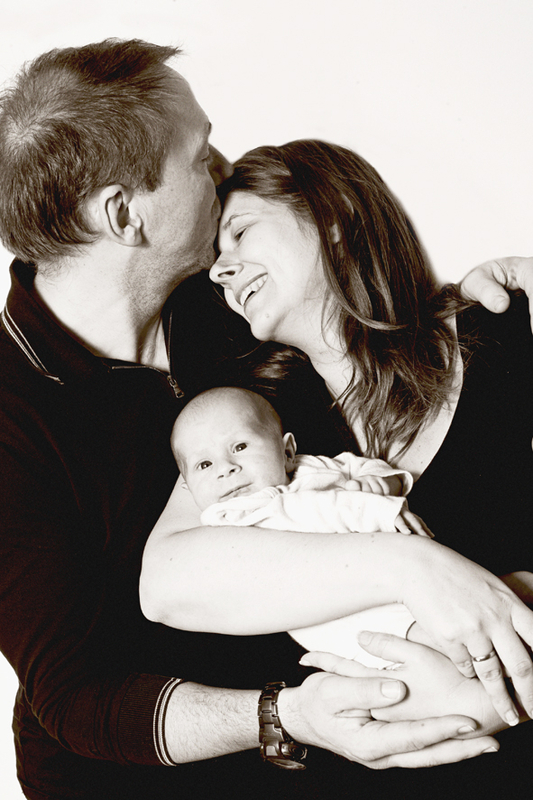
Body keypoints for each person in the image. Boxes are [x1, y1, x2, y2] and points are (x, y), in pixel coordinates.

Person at [0, 37, 530, 800]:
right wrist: (286, 714)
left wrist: (488, 293)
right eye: (200, 156)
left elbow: (353, 307)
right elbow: (80, 698)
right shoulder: (12, 419)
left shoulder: (230, 322)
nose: (222, 171)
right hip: (132, 779)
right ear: (123, 213)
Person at [172, 384, 428, 667]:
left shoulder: (310, 466)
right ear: (188, 487)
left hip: (394, 580)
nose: (225, 468)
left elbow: (354, 465)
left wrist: (384, 482)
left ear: (287, 452)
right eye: (204, 465)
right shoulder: (229, 516)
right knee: (421, 638)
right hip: (344, 617)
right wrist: (376, 509)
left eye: (240, 447)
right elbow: (310, 511)